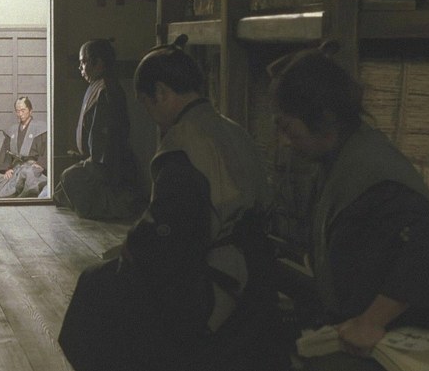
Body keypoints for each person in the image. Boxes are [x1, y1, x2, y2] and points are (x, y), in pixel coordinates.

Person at [58, 35, 287, 371]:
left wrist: (132, 247)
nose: (150, 115)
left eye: (147, 104)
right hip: (255, 265)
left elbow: (171, 235)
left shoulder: (184, 146)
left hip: (215, 275)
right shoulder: (234, 130)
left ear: (162, 93)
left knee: (96, 290)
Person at [268, 41, 429, 370]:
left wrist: (371, 321)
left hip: (413, 343)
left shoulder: (374, 175)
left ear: (325, 118)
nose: (284, 141)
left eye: (287, 128)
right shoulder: (337, 162)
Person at [53, 38, 144, 220]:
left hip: (107, 164)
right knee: (59, 193)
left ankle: (116, 207)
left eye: (83, 62)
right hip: (93, 159)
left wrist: (93, 163)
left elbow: (105, 137)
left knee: (69, 177)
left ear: (98, 63)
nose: (80, 68)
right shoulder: (97, 86)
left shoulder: (107, 90)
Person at [0, 96, 48, 198]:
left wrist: (41, 164)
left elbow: (47, 150)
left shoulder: (41, 129)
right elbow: (6, 152)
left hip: (33, 167)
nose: (20, 114)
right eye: (18, 111)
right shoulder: (12, 131)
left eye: (23, 110)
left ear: (30, 111)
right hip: (17, 167)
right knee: (1, 191)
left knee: (30, 176)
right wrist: (7, 169)